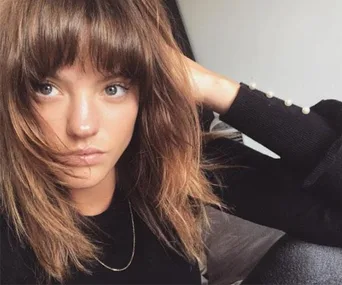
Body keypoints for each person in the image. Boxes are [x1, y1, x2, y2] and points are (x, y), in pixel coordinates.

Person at [1, 0, 342, 284]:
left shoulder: (172, 164)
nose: (83, 125)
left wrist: (215, 88)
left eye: (113, 87)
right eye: (45, 88)